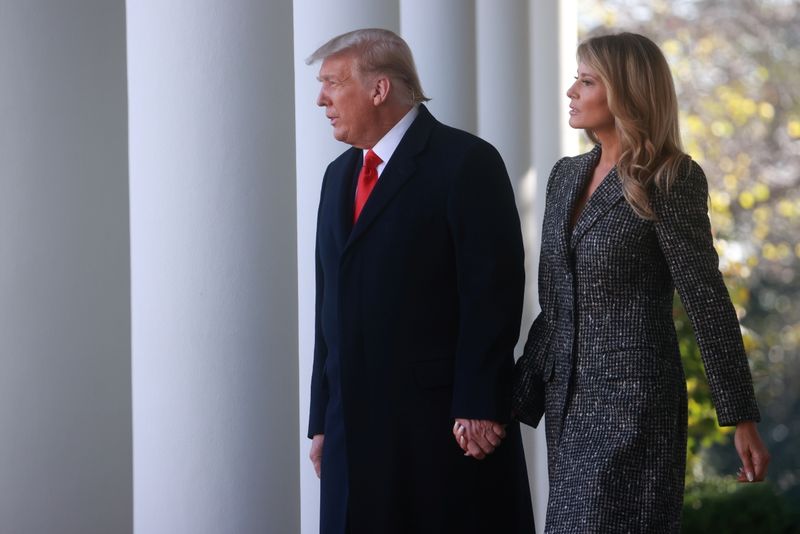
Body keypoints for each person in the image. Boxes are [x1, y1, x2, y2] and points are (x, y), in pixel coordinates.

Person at [513, 32, 770, 532]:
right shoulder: (566, 177)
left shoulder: (670, 177)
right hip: (570, 402)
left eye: (587, 82)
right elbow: (558, 307)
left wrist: (741, 415)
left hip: (637, 405)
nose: (571, 91)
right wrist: (507, 405)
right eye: (576, 79)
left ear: (626, 93)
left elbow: (706, 299)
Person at [306, 28, 534, 534]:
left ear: (379, 89)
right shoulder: (337, 176)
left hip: (439, 427)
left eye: (333, 83)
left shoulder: (466, 162)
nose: (321, 99)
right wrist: (321, 419)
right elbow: (329, 305)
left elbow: (492, 293)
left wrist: (480, 403)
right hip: (352, 429)